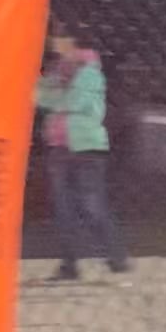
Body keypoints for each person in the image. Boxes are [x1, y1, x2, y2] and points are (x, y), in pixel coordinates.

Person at [37, 22, 128, 280]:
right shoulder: (57, 70)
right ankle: (70, 265)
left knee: (92, 205)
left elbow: (73, 101)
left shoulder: (90, 70)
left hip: (86, 147)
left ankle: (116, 256)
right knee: (63, 209)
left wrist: (53, 95)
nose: (54, 43)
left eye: (59, 38)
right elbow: (40, 97)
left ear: (72, 41)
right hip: (60, 146)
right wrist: (52, 94)